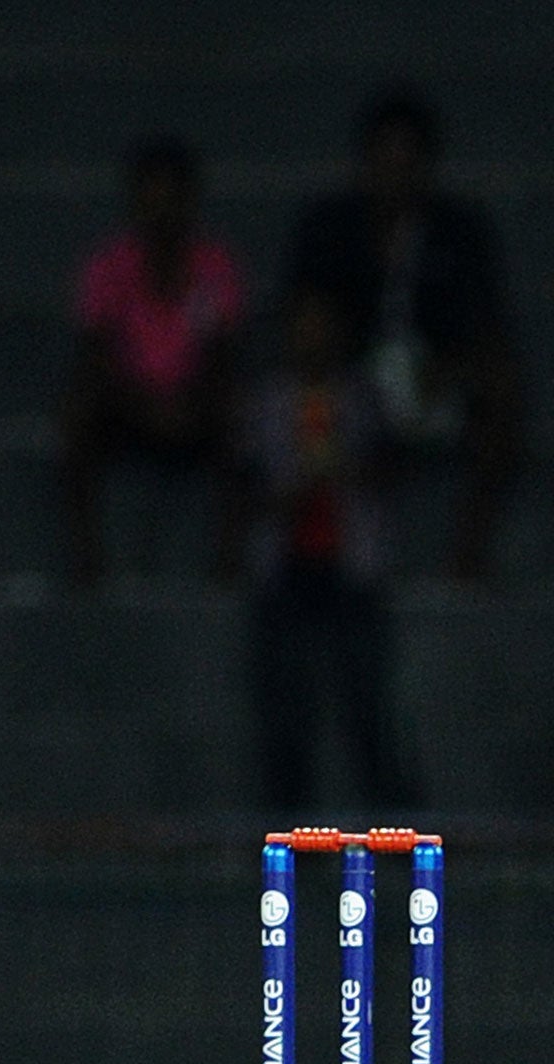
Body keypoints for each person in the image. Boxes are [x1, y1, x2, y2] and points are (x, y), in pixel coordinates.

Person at [282, 86, 523, 585]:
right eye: (383, 157)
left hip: (435, 380)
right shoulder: (330, 226)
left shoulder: (461, 230)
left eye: (406, 159)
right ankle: (320, 551)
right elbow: (303, 316)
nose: (395, 172)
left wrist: (449, 370)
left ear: (426, 165)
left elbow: (487, 323)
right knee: (308, 394)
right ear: (365, 161)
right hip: (350, 383)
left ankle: (470, 551)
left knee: (504, 389)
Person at [228, 285, 420, 815]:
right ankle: (292, 832)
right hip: (286, 567)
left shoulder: (363, 397)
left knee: (367, 704)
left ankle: (395, 826)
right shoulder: (264, 401)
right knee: (287, 707)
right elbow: (243, 482)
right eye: (302, 324)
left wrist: (343, 469)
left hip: (351, 564)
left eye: (322, 323)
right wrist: (285, 495)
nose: (312, 336)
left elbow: (392, 465)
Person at [59, 136, 247, 586]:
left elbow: (222, 355)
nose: (162, 212)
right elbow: (97, 354)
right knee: (77, 413)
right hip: (128, 404)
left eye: (172, 199)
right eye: (151, 199)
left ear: (190, 201)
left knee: (242, 416)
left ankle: (229, 556)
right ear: (135, 204)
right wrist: (145, 404)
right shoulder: (107, 266)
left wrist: (187, 401)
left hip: (195, 402)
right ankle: (87, 556)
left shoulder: (215, 265)